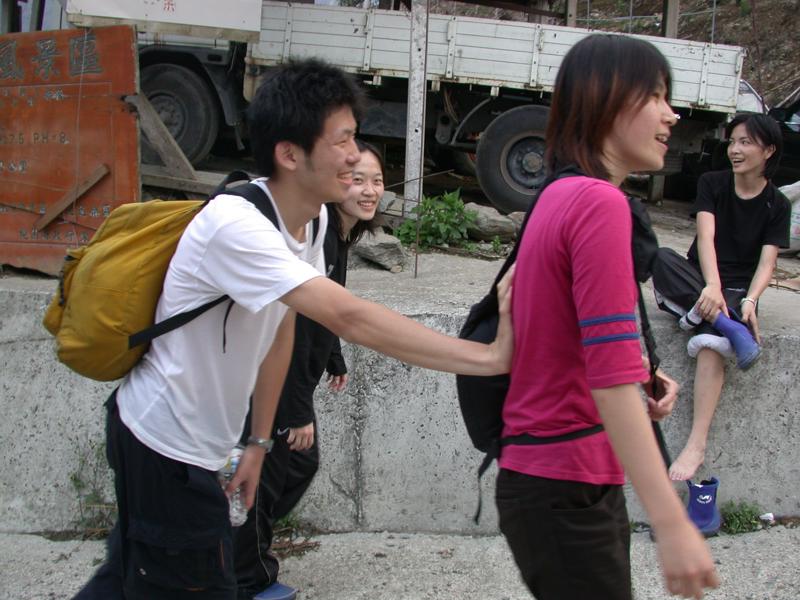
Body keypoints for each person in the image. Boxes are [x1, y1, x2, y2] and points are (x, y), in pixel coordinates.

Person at [73, 59, 513, 600]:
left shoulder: (314, 218)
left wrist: (259, 441)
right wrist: (489, 357)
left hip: (204, 443)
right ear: (289, 154)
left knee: (128, 579)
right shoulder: (238, 227)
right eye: (343, 140)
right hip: (166, 447)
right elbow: (348, 317)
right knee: (191, 584)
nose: (355, 154)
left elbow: (280, 331)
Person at [493, 34, 719, 600]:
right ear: (607, 99)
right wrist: (671, 521)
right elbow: (609, 377)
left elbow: (568, 341)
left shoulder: (558, 194)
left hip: (556, 475)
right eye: (656, 96)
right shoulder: (599, 204)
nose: (672, 115)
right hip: (564, 481)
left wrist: (639, 372)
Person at [233, 140, 385, 600]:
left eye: (377, 181)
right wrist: (297, 410)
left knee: (294, 466)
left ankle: (234, 543)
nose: (369, 191)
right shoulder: (319, 231)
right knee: (270, 477)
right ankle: (250, 577)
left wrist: (333, 356)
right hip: (269, 381)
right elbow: (294, 329)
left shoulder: (337, 235)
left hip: (283, 380)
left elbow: (324, 313)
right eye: (357, 180)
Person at [652, 113, 791, 481]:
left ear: (768, 150)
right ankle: (726, 324)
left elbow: (767, 263)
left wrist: (751, 300)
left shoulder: (778, 204)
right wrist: (711, 286)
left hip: (737, 290)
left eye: (745, 142)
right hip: (699, 276)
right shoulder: (712, 183)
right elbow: (706, 238)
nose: (735, 150)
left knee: (712, 343)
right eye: (733, 142)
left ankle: (696, 445)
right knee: (661, 258)